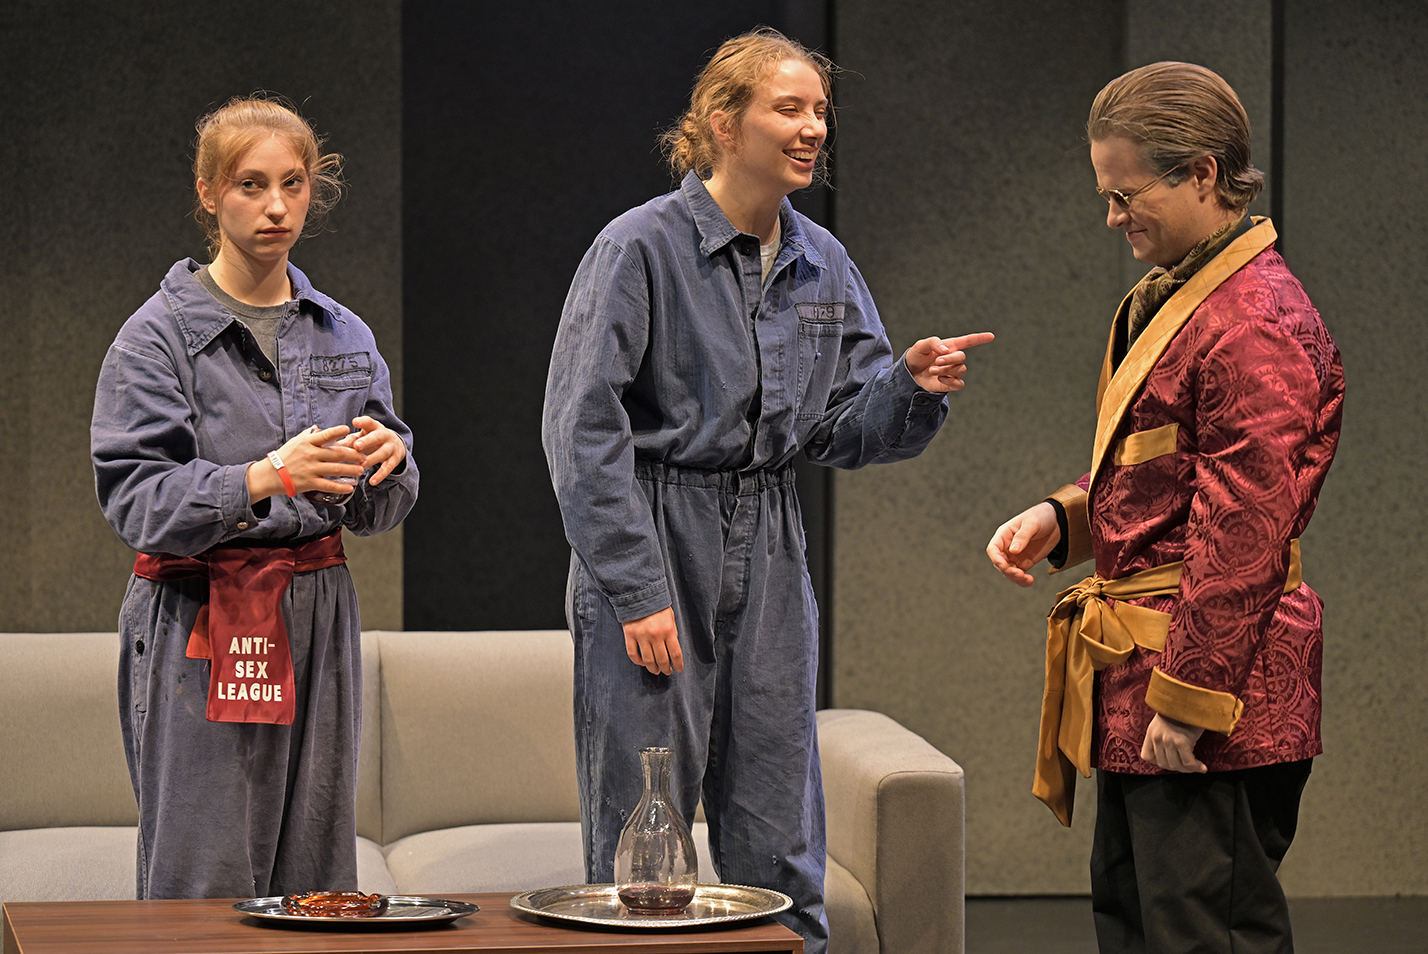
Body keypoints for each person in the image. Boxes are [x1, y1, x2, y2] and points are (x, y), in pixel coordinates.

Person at [542, 27, 993, 953]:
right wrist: (636, 587)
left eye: (820, 110)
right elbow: (582, 431)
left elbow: (839, 428)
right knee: (646, 826)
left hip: (771, 542)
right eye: (789, 108)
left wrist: (909, 385)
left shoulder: (821, 262)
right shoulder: (639, 248)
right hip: (660, 533)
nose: (813, 128)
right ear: (721, 123)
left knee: (782, 827)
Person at [986, 62, 1343, 954]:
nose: (1113, 217)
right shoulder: (1185, 299)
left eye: (1125, 192)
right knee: (1139, 923)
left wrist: (1189, 695)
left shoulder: (1252, 318)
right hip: (1145, 679)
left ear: (1203, 174)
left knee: (1204, 934)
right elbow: (1169, 475)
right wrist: (1065, 519)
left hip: (1212, 692)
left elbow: (1245, 527)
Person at [90, 96, 418, 900]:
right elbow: (137, 498)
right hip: (203, 614)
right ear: (208, 194)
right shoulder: (157, 336)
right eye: (250, 185)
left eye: (293, 184)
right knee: (205, 871)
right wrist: (264, 477)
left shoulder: (342, 331)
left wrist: (391, 461)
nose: (276, 206)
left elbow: (384, 501)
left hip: (318, 608)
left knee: (315, 872)